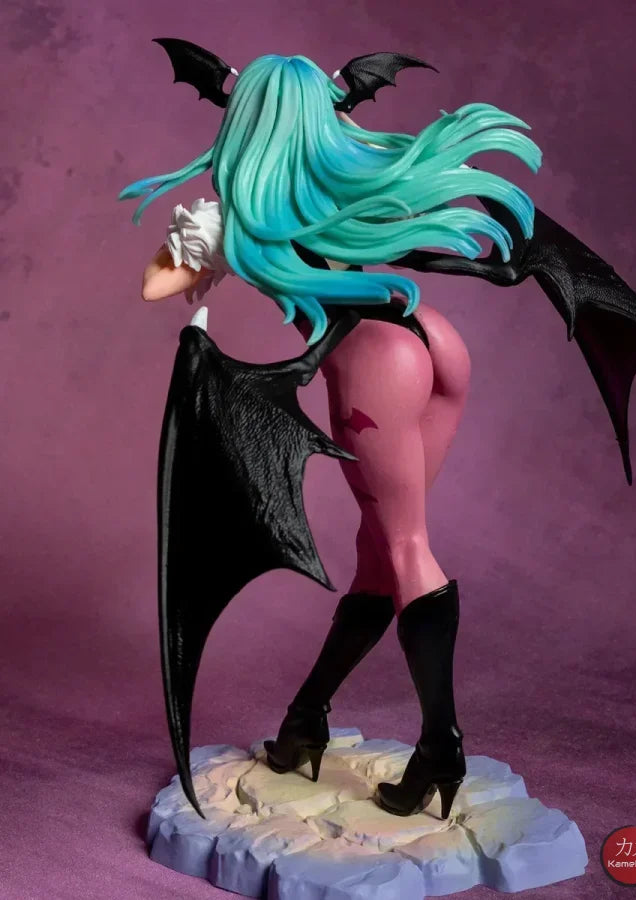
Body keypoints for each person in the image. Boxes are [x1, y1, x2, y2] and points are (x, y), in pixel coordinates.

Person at [120, 52, 542, 818]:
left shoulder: (242, 211)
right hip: (432, 337)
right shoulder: (347, 178)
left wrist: (207, 234)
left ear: (244, 119)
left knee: (404, 546)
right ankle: (304, 720)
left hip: (374, 363)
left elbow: (157, 285)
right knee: (379, 552)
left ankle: (440, 744)